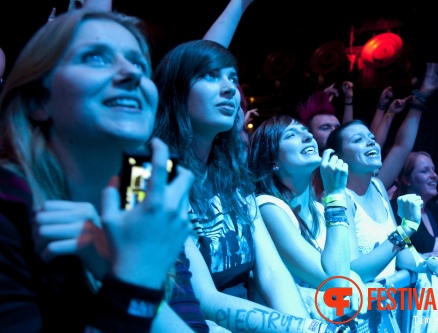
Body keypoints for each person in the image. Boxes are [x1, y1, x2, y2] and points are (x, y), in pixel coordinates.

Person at [0, 9, 208, 332]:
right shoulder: (8, 206)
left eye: (139, 64)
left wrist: (116, 267)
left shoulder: (147, 191)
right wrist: (133, 281)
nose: (132, 74)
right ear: (38, 100)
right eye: (95, 57)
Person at [151, 39, 337, 333]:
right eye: (210, 76)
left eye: (233, 78)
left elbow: (272, 274)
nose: (230, 89)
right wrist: (306, 330)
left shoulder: (234, 177)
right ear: (176, 89)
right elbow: (205, 298)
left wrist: (308, 326)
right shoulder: (158, 174)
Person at [326, 118, 438, 332]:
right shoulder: (341, 199)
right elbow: (353, 271)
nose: (371, 142)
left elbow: (400, 251)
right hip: (363, 318)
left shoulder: (379, 186)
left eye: (372, 138)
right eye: (358, 140)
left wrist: (429, 264)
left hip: (391, 307)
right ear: (339, 158)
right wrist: (405, 229)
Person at [247, 114, 367, 320]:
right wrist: (336, 194)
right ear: (272, 160)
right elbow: (336, 281)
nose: (307, 137)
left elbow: (347, 268)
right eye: (292, 135)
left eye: (307, 132)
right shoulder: (268, 207)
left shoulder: (321, 211)